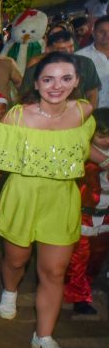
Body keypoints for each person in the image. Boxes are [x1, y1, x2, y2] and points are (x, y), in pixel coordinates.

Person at [0, 52, 95, 348]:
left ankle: (44, 337)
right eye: (48, 79)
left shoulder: (84, 112)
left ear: (77, 82)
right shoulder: (17, 116)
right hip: (23, 196)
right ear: (37, 83)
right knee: (17, 259)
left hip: (62, 199)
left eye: (66, 78)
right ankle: (10, 289)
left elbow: (88, 148)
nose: (57, 86)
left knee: (54, 272)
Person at [63, 108, 109, 315]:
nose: (106, 140)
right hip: (83, 215)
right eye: (101, 135)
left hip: (105, 217)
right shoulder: (83, 155)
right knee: (79, 259)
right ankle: (79, 297)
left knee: (96, 259)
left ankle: (84, 288)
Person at [21, 30, 101, 107]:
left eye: (71, 47)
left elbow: (92, 93)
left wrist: (90, 114)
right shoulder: (36, 69)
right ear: (48, 50)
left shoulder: (86, 64)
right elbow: (26, 98)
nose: (68, 52)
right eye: (62, 49)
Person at [75, 14, 109, 108]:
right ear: (93, 33)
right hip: (94, 113)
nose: (107, 35)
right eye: (102, 31)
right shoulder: (80, 57)